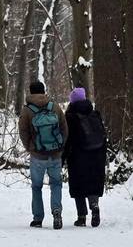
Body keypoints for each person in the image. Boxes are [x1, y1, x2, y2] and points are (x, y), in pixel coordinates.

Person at [19, 79, 68, 229]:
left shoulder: (27, 110)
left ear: (31, 92)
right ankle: (57, 211)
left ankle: (38, 218)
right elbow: (64, 128)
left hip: (37, 155)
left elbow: (23, 131)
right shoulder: (54, 107)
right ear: (44, 91)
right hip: (55, 154)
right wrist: (60, 146)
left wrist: (30, 147)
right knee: (56, 184)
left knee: (36, 187)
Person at [63, 87, 106, 227]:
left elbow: (67, 140)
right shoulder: (95, 114)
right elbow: (103, 136)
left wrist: (62, 158)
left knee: (78, 184)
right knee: (93, 183)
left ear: (72, 101)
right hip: (96, 155)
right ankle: (94, 206)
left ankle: (81, 217)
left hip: (78, 156)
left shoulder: (70, 117)